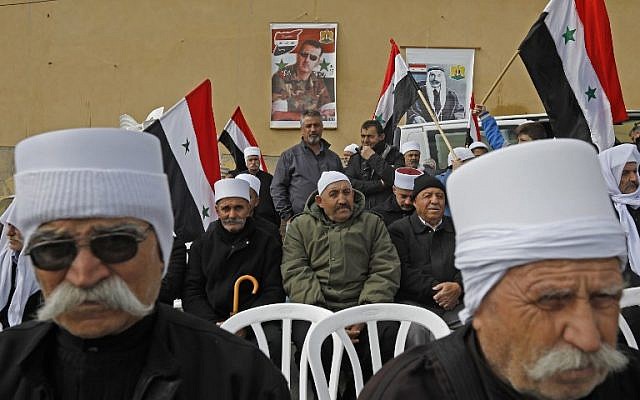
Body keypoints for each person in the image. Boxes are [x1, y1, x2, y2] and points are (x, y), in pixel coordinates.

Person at [0, 128, 289, 399]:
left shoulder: (239, 377)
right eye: (55, 249)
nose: (84, 274)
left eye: (115, 244)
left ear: (160, 253)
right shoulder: (7, 366)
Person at [360, 139, 640, 400]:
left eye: (604, 298)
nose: (590, 339)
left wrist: (456, 287)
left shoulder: (628, 379)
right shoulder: (411, 392)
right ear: (484, 305)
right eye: (551, 300)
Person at [281, 171, 401, 396]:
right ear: (319, 201)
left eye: (347, 193)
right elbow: (295, 272)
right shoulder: (300, 227)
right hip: (318, 310)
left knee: (386, 335)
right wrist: (327, 319)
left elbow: (385, 268)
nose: (342, 199)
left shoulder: (372, 223)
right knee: (310, 341)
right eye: (334, 194)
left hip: (364, 308)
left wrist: (363, 314)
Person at [388, 174, 463, 333]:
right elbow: (403, 272)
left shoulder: (458, 227)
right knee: (417, 331)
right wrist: (441, 292)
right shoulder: (399, 230)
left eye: (440, 196)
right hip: (416, 304)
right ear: (414, 202)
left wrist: (458, 287)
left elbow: (470, 263)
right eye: (427, 196)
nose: (435, 201)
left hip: (456, 301)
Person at [271, 109, 343, 223]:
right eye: (308, 126)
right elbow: (277, 188)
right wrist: (288, 217)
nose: (313, 129)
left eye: (317, 125)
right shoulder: (289, 157)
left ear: (322, 128)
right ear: (302, 129)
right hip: (300, 221)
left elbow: (343, 189)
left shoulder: (334, 159)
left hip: (331, 222)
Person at [599, 144, 640, 339]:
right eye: (625, 173)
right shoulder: (598, 212)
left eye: (635, 171)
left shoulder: (637, 205)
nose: (633, 178)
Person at [0, 199, 41, 330]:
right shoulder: (6, 261)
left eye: (16, 226)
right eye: (8, 225)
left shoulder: (47, 270)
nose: (9, 233)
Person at [345, 120, 404, 209]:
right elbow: (349, 184)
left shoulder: (395, 156)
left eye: (370, 137)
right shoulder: (355, 158)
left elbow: (396, 179)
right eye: (363, 136)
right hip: (361, 211)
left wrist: (372, 157)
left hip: (387, 210)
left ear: (381, 137)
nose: (365, 140)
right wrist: (380, 184)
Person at [271, 39, 334, 122]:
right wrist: (313, 116)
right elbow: (277, 116)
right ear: (297, 56)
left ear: (317, 62)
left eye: (313, 57)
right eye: (304, 55)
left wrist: (329, 112)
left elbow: (328, 109)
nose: (307, 60)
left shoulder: (317, 80)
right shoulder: (281, 76)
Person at [237, 146, 279, 226]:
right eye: (250, 160)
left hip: (266, 218)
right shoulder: (240, 177)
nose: (253, 162)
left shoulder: (269, 178)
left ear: (259, 161)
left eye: (255, 159)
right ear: (246, 162)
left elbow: (274, 197)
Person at [235, 172, 281, 240]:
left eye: (249, 197)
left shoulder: (270, 231)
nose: (243, 203)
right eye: (239, 197)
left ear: (256, 201)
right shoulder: (219, 229)